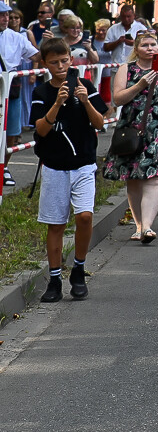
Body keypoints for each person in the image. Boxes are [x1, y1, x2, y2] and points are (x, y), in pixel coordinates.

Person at [30, 37, 108, 302]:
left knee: (84, 217)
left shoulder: (85, 85)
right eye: (54, 62)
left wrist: (85, 102)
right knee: (56, 224)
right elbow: (40, 129)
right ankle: (54, 280)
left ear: (71, 60)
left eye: (64, 61)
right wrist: (57, 104)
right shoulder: (41, 92)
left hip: (84, 164)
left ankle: (79, 268)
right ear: (45, 64)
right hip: (54, 166)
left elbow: (99, 123)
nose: (61, 66)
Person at [102, 31, 158, 242]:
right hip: (132, 130)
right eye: (145, 45)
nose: (150, 49)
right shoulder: (126, 69)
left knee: (154, 177)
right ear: (137, 49)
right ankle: (139, 226)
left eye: (153, 45)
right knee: (134, 179)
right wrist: (140, 85)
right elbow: (118, 99)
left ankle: (148, 227)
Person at [1, 0, 40, 186]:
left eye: (7, 15)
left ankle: (4, 168)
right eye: (2, 15)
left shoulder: (16, 37)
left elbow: (36, 55)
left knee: (12, 131)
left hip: (11, 87)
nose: (5, 18)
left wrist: (50, 47)